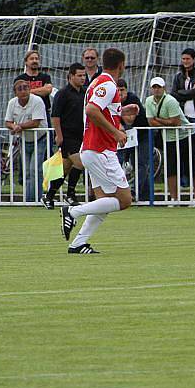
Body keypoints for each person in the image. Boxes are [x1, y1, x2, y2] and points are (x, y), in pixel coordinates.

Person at [60, 48, 139, 254]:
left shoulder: (96, 82)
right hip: (100, 149)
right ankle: (73, 210)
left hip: (92, 149)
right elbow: (92, 110)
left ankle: (78, 243)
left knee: (105, 202)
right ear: (121, 64)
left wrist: (122, 111)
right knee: (124, 200)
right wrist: (117, 132)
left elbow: (100, 110)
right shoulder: (108, 84)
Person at [144, 76, 195, 202]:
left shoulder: (170, 101)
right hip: (169, 139)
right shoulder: (148, 101)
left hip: (186, 135)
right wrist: (164, 122)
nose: (156, 90)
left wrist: (158, 120)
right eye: (154, 87)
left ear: (164, 88)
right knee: (171, 169)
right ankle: (174, 199)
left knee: (193, 168)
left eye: (159, 87)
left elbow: (175, 122)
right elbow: (150, 122)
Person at [44, 63, 86, 209]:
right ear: (71, 76)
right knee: (81, 162)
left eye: (84, 75)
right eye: (79, 75)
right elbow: (55, 116)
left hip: (80, 136)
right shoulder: (62, 93)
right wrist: (58, 135)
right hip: (67, 136)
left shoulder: (84, 93)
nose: (82, 78)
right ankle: (70, 195)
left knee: (65, 169)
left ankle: (49, 196)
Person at [5, 80, 49, 202]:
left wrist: (19, 126)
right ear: (15, 92)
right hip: (24, 139)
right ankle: (29, 200)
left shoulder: (37, 101)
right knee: (26, 171)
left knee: (35, 169)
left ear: (29, 90)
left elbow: (36, 122)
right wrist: (14, 127)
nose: (23, 91)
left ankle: (37, 199)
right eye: (20, 89)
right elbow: (7, 122)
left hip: (39, 138)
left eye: (25, 88)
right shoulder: (12, 103)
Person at [117, 79, 152, 201]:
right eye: (117, 90)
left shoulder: (132, 99)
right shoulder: (112, 101)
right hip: (127, 136)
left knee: (141, 163)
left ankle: (134, 192)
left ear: (126, 90)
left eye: (122, 90)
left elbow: (129, 119)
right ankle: (145, 195)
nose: (120, 93)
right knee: (125, 163)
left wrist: (117, 112)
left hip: (142, 135)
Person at [15, 50, 53, 120]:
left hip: (43, 112)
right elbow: (20, 95)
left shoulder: (45, 77)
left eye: (36, 59)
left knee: (46, 131)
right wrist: (41, 90)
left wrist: (27, 91)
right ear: (26, 62)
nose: (34, 61)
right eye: (32, 59)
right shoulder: (20, 79)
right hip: (25, 113)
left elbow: (47, 90)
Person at [170, 48, 195, 123]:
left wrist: (180, 92)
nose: (185, 61)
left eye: (188, 59)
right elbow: (173, 94)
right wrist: (191, 91)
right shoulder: (178, 76)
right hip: (182, 115)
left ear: (194, 59)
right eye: (183, 59)